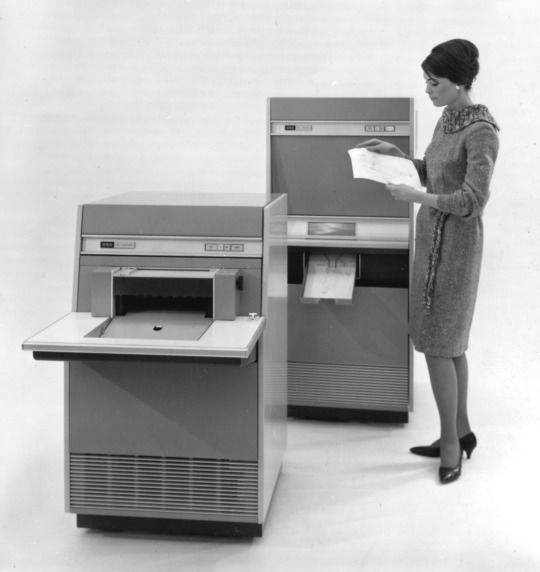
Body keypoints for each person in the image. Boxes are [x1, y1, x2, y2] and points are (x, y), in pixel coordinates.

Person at [357, 39, 499, 484]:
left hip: (456, 247)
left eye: (433, 82)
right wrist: (401, 159)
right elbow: (435, 171)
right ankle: (461, 429)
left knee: (442, 344)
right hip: (433, 241)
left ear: (458, 82)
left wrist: (417, 197)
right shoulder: (447, 120)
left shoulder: (481, 131)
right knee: (447, 344)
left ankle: (451, 447)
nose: (427, 89)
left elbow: (473, 200)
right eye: (426, 81)